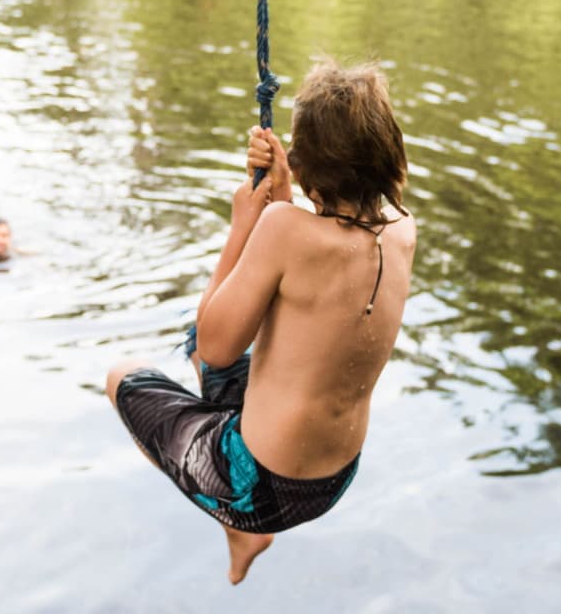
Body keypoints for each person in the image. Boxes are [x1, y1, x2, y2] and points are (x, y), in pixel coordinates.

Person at [105, 60, 417, 585]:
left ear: (309, 162)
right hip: (335, 477)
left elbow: (214, 343)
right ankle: (242, 515)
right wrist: (285, 193)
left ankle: (242, 528)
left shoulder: (281, 229)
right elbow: (314, 273)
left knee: (124, 375)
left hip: (256, 485)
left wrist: (244, 223)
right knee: (215, 369)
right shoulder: (405, 230)